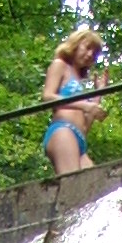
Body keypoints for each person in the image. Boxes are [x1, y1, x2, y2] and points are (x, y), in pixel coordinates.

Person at [41, 27, 107, 176]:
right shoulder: (60, 65)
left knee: (93, 187)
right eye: (88, 48)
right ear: (76, 44)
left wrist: (98, 94)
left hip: (79, 139)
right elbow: (48, 97)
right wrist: (85, 105)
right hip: (63, 130)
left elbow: (84, 128)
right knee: (73, 186)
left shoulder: (79, 82)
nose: (90, 55)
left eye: (94, 54)